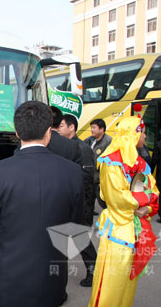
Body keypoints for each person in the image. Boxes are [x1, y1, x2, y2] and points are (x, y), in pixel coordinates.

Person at [0, 101, 83, 307]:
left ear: (17, 132)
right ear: (49, 132)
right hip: (52, 281)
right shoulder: (72, 172)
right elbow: (76, 227)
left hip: (7, 281)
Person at [88, 117, 159, 307]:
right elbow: (116, 197)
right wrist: (143, 204)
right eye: (142, 131)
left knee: (127, 282)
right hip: (117, 230)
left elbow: (154, 192)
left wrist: (148, 207)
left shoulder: (142, 164)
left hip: (136, 229)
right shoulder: (112, 163)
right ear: (133, 133)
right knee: (111, 282)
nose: (144, 135)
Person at [59, 114, 97, 287]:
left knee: (80, 238)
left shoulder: (82, 148)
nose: (59, 129)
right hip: (68, 200)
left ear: (71, 127)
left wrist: (86, 208)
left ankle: (94, 271)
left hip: (81, 202)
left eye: (61, 126)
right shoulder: (65, 146)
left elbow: (88, 180)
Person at [84, 119, 112, 209]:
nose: (92, 130)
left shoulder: (108, 141)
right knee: (88, 200)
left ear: (102, 129)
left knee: (104, 201)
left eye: (94, 128)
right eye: (91, 128)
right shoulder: (89, 140)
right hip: (90, 176)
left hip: (101, 178)